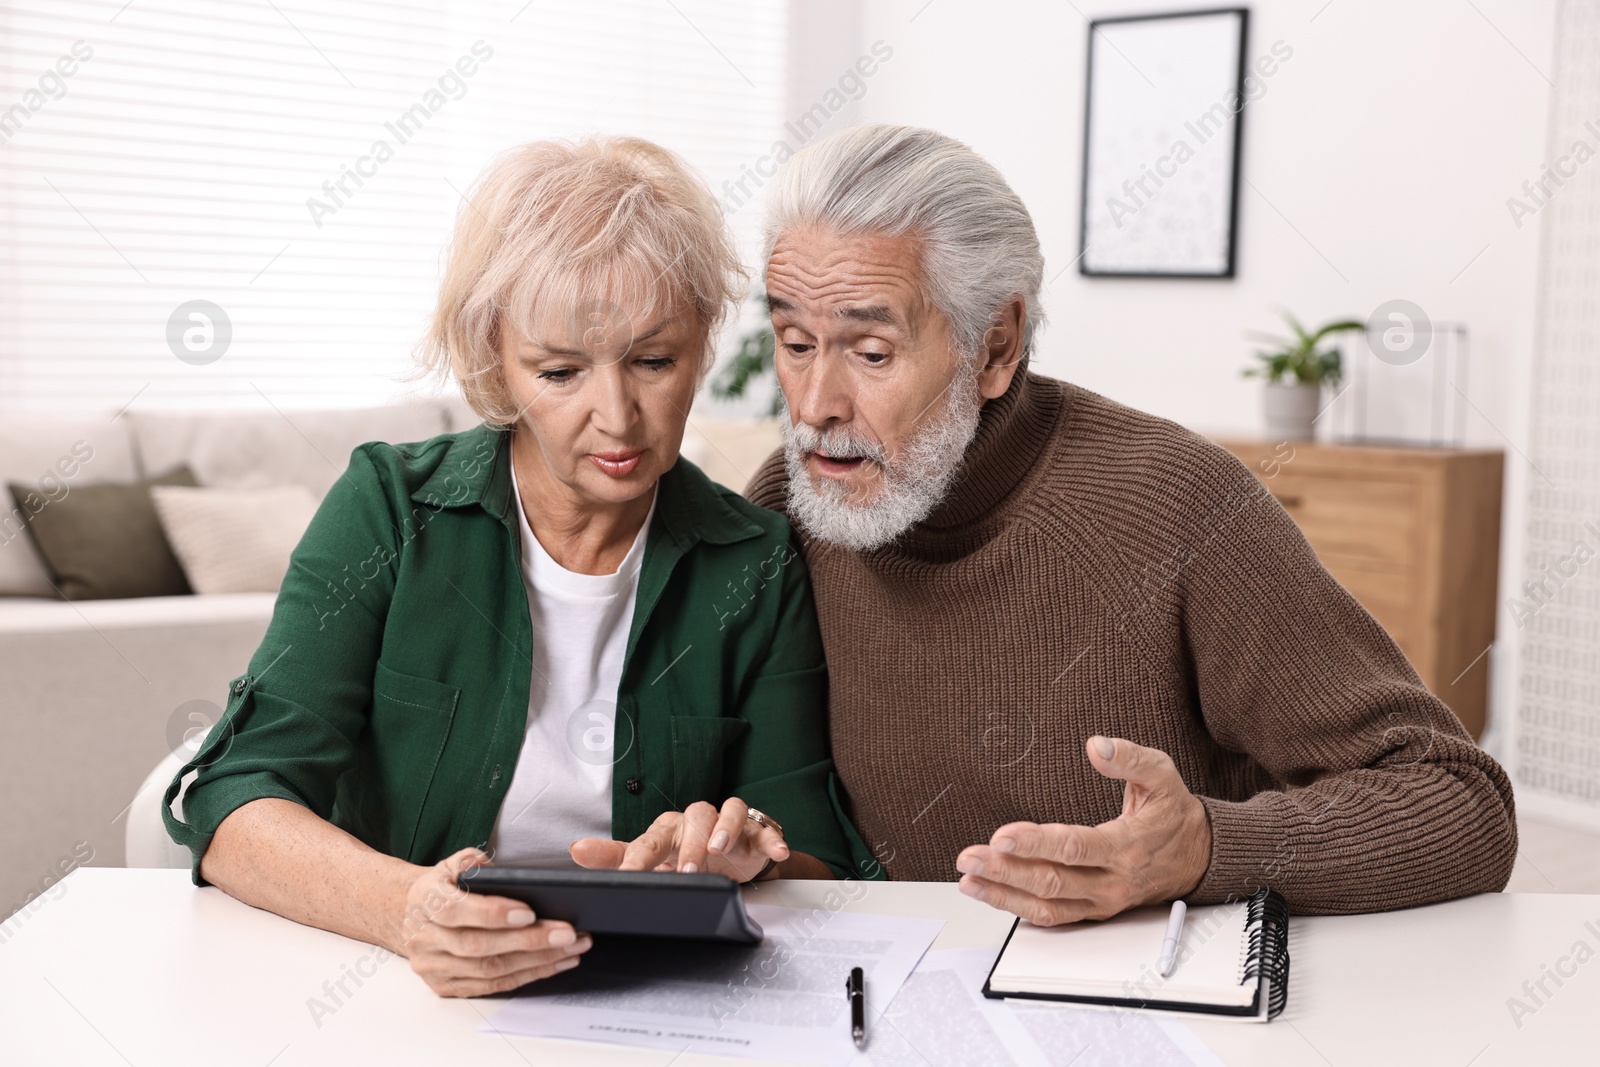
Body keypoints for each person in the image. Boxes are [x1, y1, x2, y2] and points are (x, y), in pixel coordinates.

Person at [746, 124, 1517, 922]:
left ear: (995, 345)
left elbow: (1461, 800)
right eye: (795, 343)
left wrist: (1207, 849)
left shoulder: (1177, 504)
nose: (812, 406)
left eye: (871, 354)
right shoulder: (789, 501)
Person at [164, 136, 873, 999]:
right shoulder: (390, 507)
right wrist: (406, 908)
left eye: (655, 361)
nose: (618, 417)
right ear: (496, 362)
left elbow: (812, 852)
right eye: (560, 371)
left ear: (702, 344)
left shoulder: (753, 560)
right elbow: (235, 795)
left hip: (646, 995)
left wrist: (744, 848)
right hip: (393, 991)